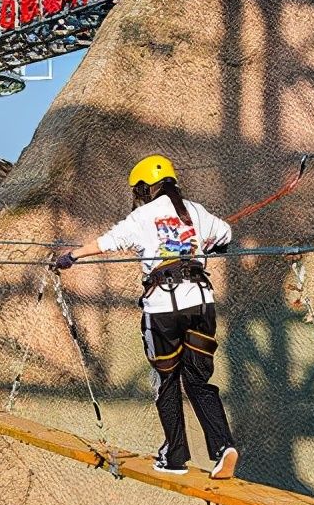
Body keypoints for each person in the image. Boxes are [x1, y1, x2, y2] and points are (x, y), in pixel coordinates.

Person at [53, 155, 239, 479]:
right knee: (197, 381)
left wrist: (72, 256)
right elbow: (225, 235)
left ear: (145, 188)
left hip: (164, 308)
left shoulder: (142, 216)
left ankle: (175, 456)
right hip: (201, 302)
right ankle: (224, 447)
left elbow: (108, 242)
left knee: (166, 381)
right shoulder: (196, 212)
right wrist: (212, 246)